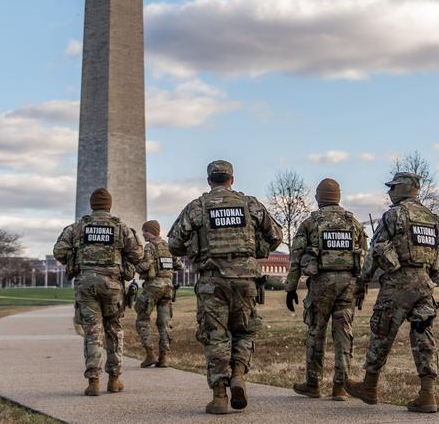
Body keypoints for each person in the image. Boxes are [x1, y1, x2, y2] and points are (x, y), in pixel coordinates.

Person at [167, 160, 282, 414]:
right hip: (245, 280)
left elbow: (174, 243)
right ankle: (239, 373)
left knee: (215, 335)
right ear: (232, 179)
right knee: (244, 330)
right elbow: (276, 236)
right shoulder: (250, 204)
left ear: (209, 181)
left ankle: (219, 395)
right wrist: (254, 248)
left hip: (212, 280)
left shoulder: (197, 207)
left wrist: (195, 248)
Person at [345, 172, 439, 413]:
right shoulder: (432, 218)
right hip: (424, 284)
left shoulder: (394, 214)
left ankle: (369, 387)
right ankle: (427, 394)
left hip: (398, 284)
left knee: (382, 331)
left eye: (392, 187)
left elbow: (375, 250)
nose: (389, 192)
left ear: (403, 189)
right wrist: (429, 279)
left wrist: (362, 281)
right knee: (424, 336)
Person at [53, 188, 143, 396]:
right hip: (112, 284)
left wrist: (74, 257)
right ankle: (114, 379)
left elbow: (59, 251)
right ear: (109, 205)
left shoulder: (76, 228)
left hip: (85, 283)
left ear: (92, 205)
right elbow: (137, 254)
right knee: (114, 330)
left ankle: (93, 380)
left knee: (92, 332)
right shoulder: (121, 227)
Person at [286, 178, 368, 401]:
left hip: (322, 283)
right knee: (344, 334)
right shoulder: (354, 222)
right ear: (338, 196)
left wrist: (291, 287)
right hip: (349, 284)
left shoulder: (311, 223)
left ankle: (313, 384)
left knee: (316, 331)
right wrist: (362, 287)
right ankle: (340, 387)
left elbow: (296, 257)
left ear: (318, 197)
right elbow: (364, 257)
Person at [134, 220, 181, 368]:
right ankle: (164, 357)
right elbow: (178, 264)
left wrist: (136, 265)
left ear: (152, 231)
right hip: (168, 286)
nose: (143, 233)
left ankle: (150, 354)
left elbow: (146, 265)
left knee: (142, 318)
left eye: (145, 231)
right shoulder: (168, 246)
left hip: (153, 286)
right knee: (164, 323)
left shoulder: (150, 246)